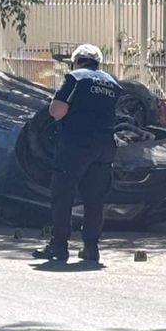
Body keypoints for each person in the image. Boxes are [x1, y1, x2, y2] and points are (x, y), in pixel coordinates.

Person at [33, 43, 120, 263]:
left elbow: (57, 110)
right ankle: (91, 247)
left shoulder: (76, 77)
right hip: (105, 146)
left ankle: (59, 245)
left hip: (76, 145)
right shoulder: (112, 83)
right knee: (95, 199)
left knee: (63, 194)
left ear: (76, 60)